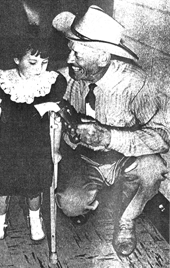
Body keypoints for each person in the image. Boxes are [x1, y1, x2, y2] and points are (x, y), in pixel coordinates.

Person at [52, 5, 170, 256]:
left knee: (153, 169)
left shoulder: (137, 83)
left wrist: (109, 137)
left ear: (103, 57)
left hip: (125, 159)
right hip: (85, 160)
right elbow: (42, 85)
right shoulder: (71, 74)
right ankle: (98, 198)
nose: (70, 59)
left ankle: (126, 219)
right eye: (70, 50)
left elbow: (163, 136)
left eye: (78, 54)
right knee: (69, 203)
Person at [0, 37, 66, 247]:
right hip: (7, 142)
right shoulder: (3, 81)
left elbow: (56, 119)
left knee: (33, 185)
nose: (40, 69)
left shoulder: (51, 82)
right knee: (1, 184)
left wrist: (55, 149)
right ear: (17, 59)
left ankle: (35, 219)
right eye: (33, 63)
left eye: (44, 63)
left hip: (36, 144)